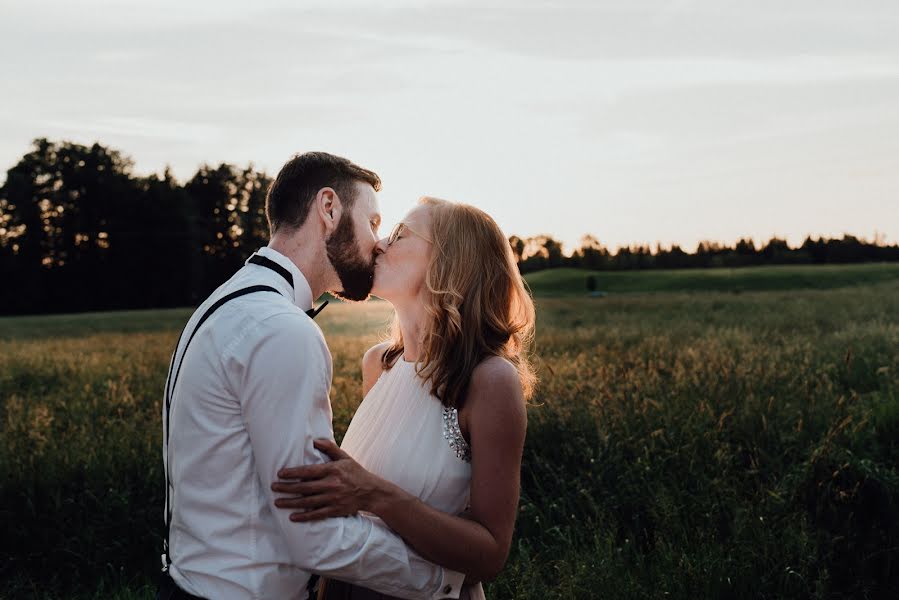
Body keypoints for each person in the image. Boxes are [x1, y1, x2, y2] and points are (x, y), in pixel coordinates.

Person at [160, 154, 465, 599]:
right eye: (373, 222)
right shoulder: (283, 330)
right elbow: (316, 536)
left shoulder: (229, 301)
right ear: (329, 209)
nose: (377, 243)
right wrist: (440, 581)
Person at [271, 197, 537, 599]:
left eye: (399, 235)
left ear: (450, 260)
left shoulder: (489, 380)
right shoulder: (378, 365)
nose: (378, 244)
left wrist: (374, 494)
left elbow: (490, 554)